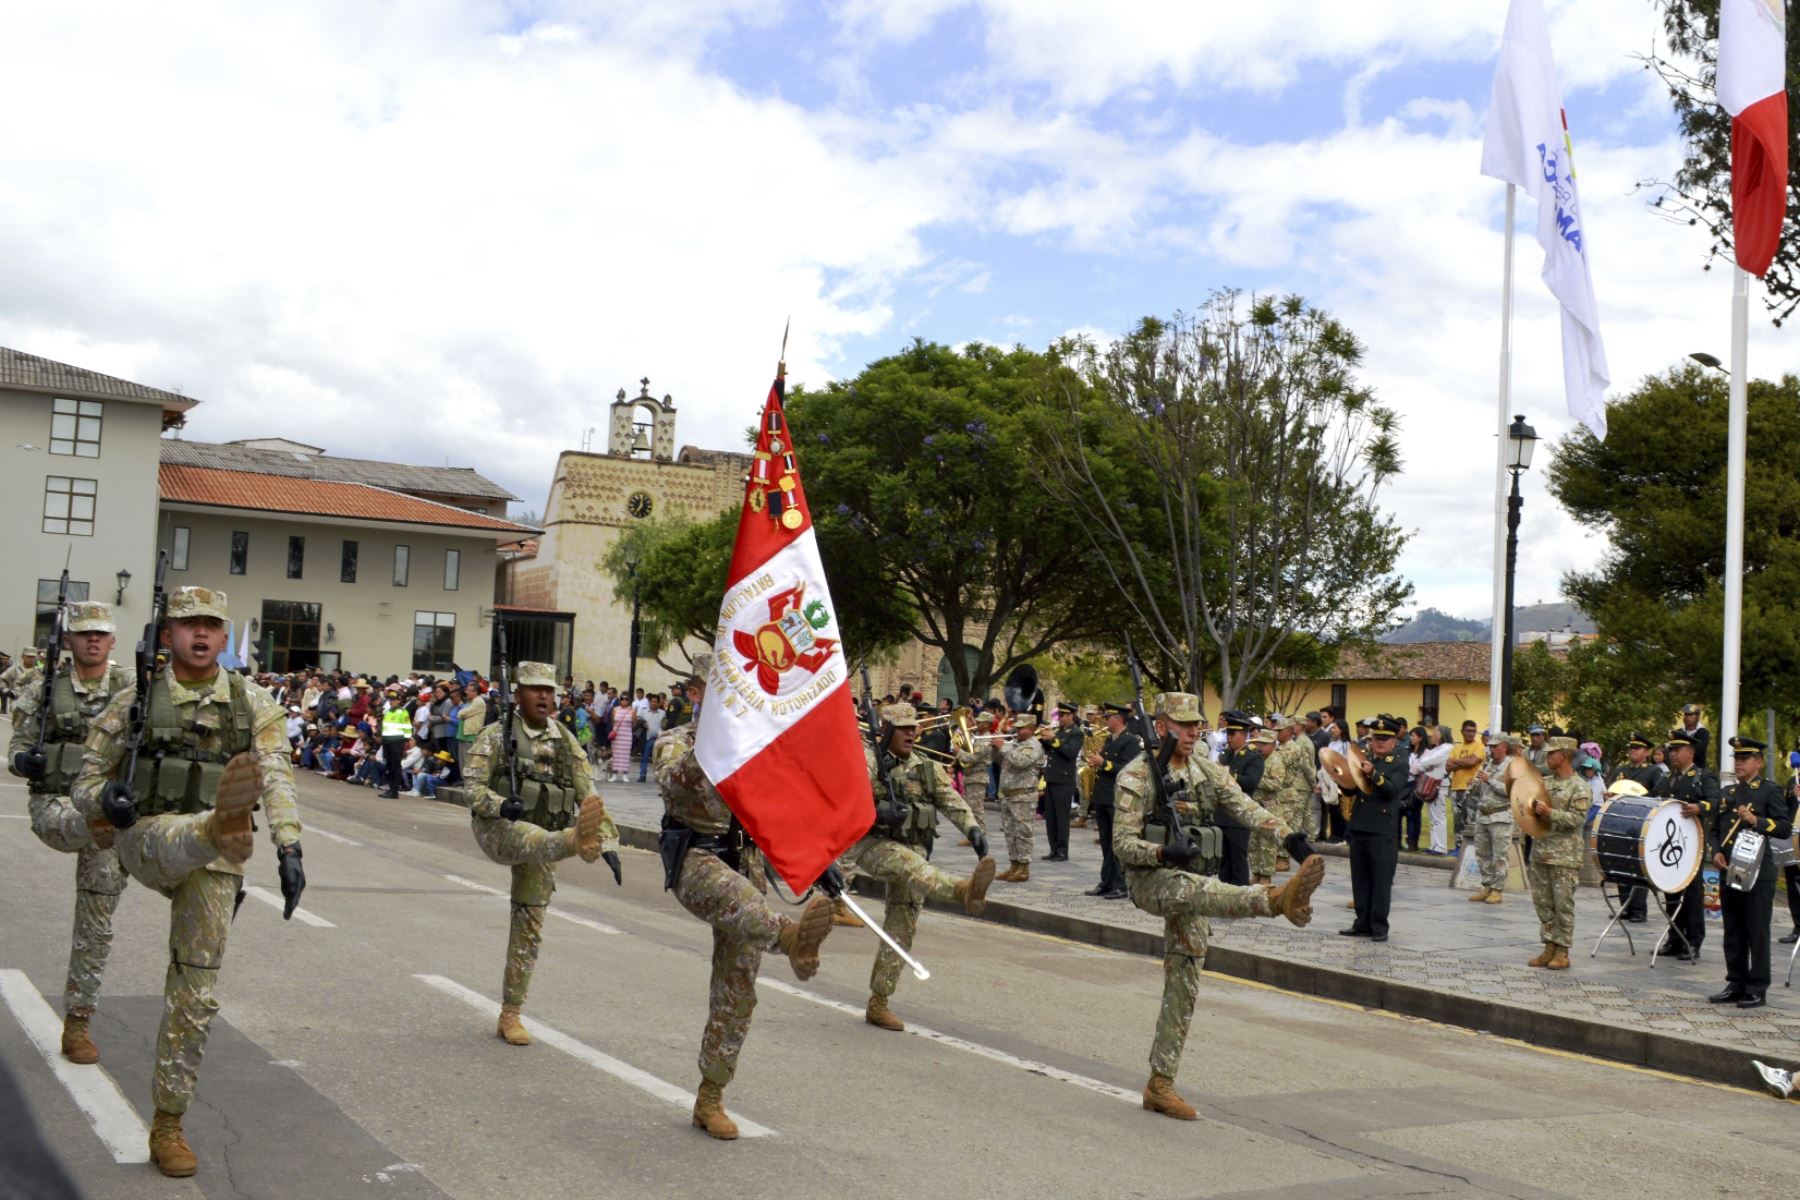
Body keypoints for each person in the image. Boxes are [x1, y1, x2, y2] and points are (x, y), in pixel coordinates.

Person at [71, 586, 305, 1177]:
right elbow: (85, 779)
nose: (200, 635)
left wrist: (289, 842)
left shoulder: (253, 703)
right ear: (168, 634)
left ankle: (168, 1123)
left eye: (210, 625)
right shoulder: (135, 699)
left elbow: (275, 773)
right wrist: (106, 798)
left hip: (218, 862)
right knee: (186, 837)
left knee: (195, 992)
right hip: (144, 836)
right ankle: (217, 827)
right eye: (187, 625)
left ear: (225, 638)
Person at [1111, 692, 1324, 1120]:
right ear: (1161, 726)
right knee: (1200, 889)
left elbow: (1246, 807)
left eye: (1196, 725)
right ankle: (1275, 899)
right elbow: (1121, 843)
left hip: (1190, 883)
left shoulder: (1205, 770)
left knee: (1185, 982)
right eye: (1183, 724)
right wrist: (1162, 854)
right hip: (1152, 881)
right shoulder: (1137, 776)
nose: (1193, 732)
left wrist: (1289, 838)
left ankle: (1160, 1083)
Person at [652, 656, 833, 1139]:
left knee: (738, 989)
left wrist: (818, 859)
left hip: (744, 860)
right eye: (721, 689)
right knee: (738, 899)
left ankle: (710, 1097)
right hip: (696, 859)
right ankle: (791, 939)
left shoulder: (757, 750)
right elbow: (675, 787)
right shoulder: (676, 741)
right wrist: (718, 740)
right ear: (695, 693)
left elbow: (777, 810)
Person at [459, 660, 620, 1046]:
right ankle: (572, 842)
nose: (545, 696)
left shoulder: (565, 740)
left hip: (546, 837)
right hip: (499, 829)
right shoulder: (496, 736)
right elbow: (473, 789)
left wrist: (609, 842)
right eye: (535, 689)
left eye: (550, 690)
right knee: (532, 837)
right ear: (519, 693)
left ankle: (511, 1014)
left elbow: (588, 792)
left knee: (530, 925)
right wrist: (500, 805)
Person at [7, 602, 133, 1066]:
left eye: (101, 633)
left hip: (103, 818)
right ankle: (104, 820)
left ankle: (78, 1022)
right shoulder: (45, 690)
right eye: (84, 634)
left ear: (113, 641)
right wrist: (25, 762)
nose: (93, 640)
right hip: (57, 806)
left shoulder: (132, 690)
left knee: (96, 922)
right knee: (89, 822)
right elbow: (16, 749)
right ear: (69, 642)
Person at [846, 704, 995, 1032]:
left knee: (902, 926)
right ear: (885, 730)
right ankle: (961, 890)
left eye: (914, 727)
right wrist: (878, 813)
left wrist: (972, 829)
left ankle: (879, 1001)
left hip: (911, 846)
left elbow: (950, 800)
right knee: (910, 865)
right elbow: (844, 801)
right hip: (872, 846)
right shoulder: (867, 762)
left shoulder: (925, 766)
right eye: (903, 728)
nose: (912, 733)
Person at [1709, 736, 1792, 1009]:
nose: (1739, 762)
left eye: (1745, 758)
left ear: (1758, 762)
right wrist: (1716, 851)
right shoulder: (1729, 793)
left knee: (1756, 930)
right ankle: (1736, 982)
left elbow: (1782, 827)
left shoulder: (1769, 791)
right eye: (1737, 758)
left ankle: (1757, 987)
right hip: (1730, 869)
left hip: (1758, 872)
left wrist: (1756, 820)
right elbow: (1715, 828)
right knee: (1732, 930)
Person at [1340, 714, 1407, 942]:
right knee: (1360, 879)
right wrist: (1342, 779)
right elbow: (1353, 790)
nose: (1378, 742)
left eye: (1384, 739)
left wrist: (1373, 774)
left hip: (1381, 829)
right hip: (1359, 825)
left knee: (1380, 881)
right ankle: (1361, 923)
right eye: (1376, 738)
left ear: (1394, 741)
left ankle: (1379, 927)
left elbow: (1392, 789)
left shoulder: (1398, 762)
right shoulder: (1366, 759)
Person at [1524, 735, 1586, 971]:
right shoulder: (1545, 784)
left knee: (1563, 905)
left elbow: (1576, 820)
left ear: (1565, 755)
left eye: (1551, 753)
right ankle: (1548, 945)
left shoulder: (1579, 787)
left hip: (1565, 855)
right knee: (1543, 902)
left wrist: (1549, 813)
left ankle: (1562, 950)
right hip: (1541, 851)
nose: (1547, 757)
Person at [1655, 730, 1717, 962]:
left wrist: (1700, 808)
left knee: (1691, 894)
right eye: (1670, 750)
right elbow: (1653, 799)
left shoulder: (1703, 777)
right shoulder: (1667, 778)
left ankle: (1693, 941)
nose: (1672, 754)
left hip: (1692, 844)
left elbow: (1716, 801)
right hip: (1668, 844)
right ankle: (1674, 938)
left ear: (1690, 752)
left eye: (1677, 750)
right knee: (1671, 891)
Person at [1084, 704, 1139, 898]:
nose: (1105, 721)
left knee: (1117, 843)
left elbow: (1127, 769)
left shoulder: (1131, 741)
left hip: (1117, 798)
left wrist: (1103, 763)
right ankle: (1106, 881)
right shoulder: (1109, 739)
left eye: (1108, 717)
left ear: (1118, 718)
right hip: (1103, 796)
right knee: (1106, 842)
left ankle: (1120, 884)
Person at [1608, 733, 1662, 921]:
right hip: (1621, 823)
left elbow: (1658, 795)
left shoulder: (1653, 772)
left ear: (1646, 752)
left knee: (1638, 867)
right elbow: (1612, 789)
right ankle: (1626, 905)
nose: (1633, 751)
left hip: (1641, 825)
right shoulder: (1621, 770)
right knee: (1622, 864)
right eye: (1631, 748)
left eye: (1637, 748)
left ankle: (1639, 909)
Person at [991, 712, 1046, 882]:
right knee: (1010, 833)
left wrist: (1004, 747)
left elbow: (1021, 762)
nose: (1017, 731)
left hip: (1023, 796)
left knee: (1023, 833)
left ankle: (1024, 868)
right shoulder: (1014, 744)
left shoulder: (1034, 746)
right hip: (1008, 796)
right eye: (1017, 727)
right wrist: (995, 749)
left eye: (1021, 728)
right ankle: (1014, 865)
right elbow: (998, 761)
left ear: (1030, 729)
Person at [1467, 731, 1517, 904]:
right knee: (1482, 853)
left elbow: (1512, 791)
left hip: (1501, 816)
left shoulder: (1512, 766)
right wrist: (1473, 785)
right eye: (1490, 747)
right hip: (1483, 816)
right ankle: (1486, 886)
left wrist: (1490, 781)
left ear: (1504, 747)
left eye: (1495, 747)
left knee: (1500, 856)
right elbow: (1479, 791)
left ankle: (1497, 889)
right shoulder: (1488, 765)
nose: (1491, 750)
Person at [1215, 711, 1257, 885]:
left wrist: (1229, 775)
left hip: (1239, 814)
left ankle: (1240, 892)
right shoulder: (1227, 754)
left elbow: (1251, 782)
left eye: (1232, 734)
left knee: (1238, 856)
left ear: (1243, 735)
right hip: (1222, 813)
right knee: (1223, 858)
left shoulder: (1253, 756)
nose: (1229, 738)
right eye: (1228, 734)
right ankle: (1225, 891)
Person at [1039, 702, 1083, 862]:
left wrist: (1054, 739)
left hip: (1064, 781)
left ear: (1071, 716)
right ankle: (1053, 849)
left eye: (1063, 716)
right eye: (1059, 716)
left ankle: (1062, 851)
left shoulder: (1076, 733)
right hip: (1051, 779)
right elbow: (1049, 751)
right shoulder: (1059, 731)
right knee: (1050, 817)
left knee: (1061, 818)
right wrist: (1044, 738)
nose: (1060, 719)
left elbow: (1069, 752)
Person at [1273, 716, 1317, 871]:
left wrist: (1313, 783)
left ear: (1289, 731)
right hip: (1281, 791)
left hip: (1292, 789)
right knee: (1287, 822)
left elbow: (1306, 766)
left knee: (1290, 824)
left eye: (1280, 730)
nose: (1277, 733)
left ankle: (1286, 858)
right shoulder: (1279, 747)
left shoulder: (1294, 747)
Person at [1247, 728, 1287, 884]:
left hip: (1269, 807)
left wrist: (1256, 780)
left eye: (1264, 744)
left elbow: (1276, 784)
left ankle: (1266, 876)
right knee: (1253, 841)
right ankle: (1256, 872)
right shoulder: (1257, 759)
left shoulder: (1276, 761)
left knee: (1267, 844)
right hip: (1255, 806)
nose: (1260, 747)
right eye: (1259, 743)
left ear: (1273, 745)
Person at [1445, 720, 1485, 847]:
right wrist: (1464, 761)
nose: (1471, 733)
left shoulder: (1479, 746)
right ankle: (1458, 847)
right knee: (1458, 821)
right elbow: (1448, 766)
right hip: (1456, 788)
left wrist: (1456, 762)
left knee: (1470, 820)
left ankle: (1471, 848)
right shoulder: (1456, 748)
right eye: (1468, 731)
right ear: (1462, 732)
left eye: (1474, 731)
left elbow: (1471, 762)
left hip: (1471, 789)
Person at [1678, 703, 1711, 770]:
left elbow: (1697, 751)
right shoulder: (1679, 732)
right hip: (1680, 769)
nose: (1688, 717)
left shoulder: (1703, 732)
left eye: (1691, 715)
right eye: (1686, 715)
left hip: (1698, 770)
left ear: (1698, 717)